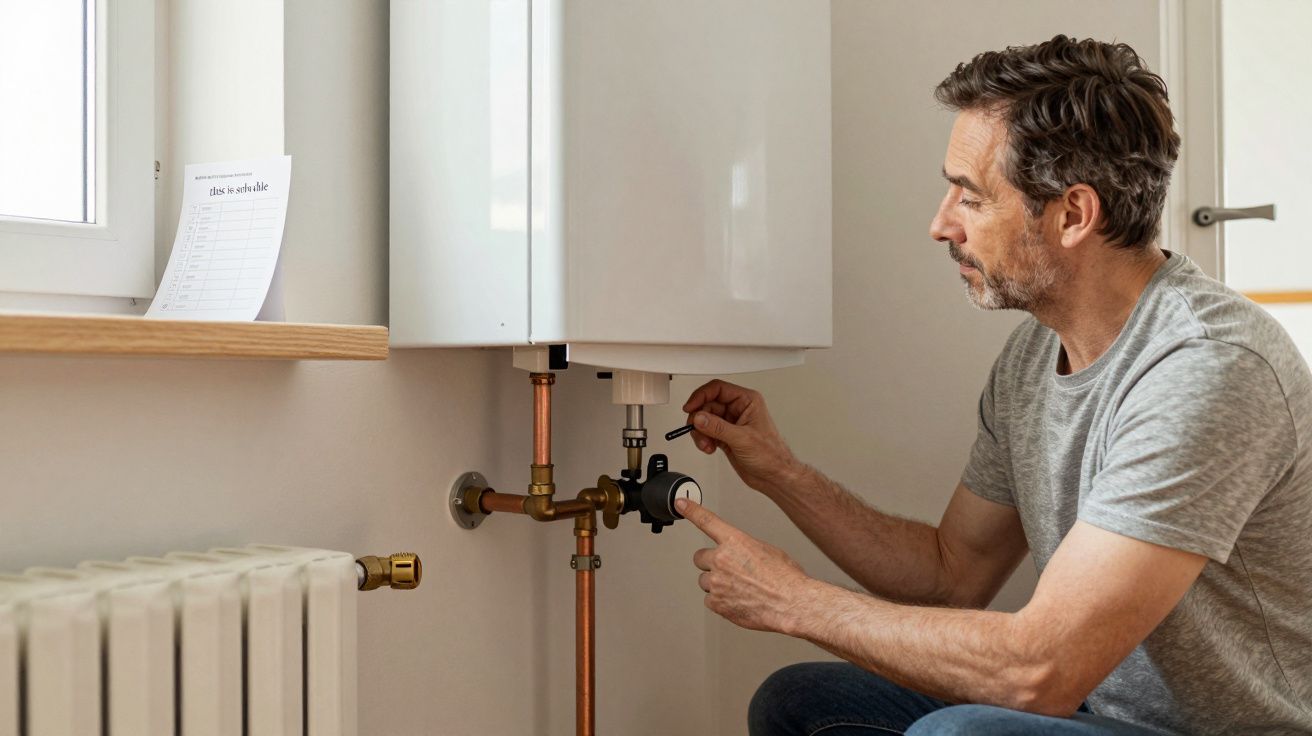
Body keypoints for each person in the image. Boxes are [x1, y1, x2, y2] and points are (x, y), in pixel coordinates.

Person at [676, 35, 1312, 735]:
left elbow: (1039, 673)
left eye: (970, 197)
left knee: (957, 735)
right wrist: (782, 473)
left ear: (1073, 214)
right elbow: (953, 573)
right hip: (1105, 714)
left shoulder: (1207, 368)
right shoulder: (1034, 356)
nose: (940, 223)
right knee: (799, 703)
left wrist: (793, 601)